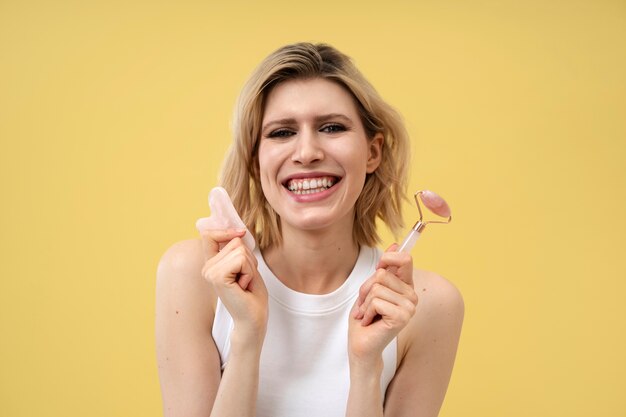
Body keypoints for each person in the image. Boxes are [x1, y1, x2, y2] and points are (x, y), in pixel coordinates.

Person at [155, 42, 464, 417]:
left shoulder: (428, 305)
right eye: (281, 133)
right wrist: (248, 338)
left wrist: (367, 368)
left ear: (372, 152)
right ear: (255, 161)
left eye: (331, 127)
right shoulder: (195, 276)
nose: (306, 152)